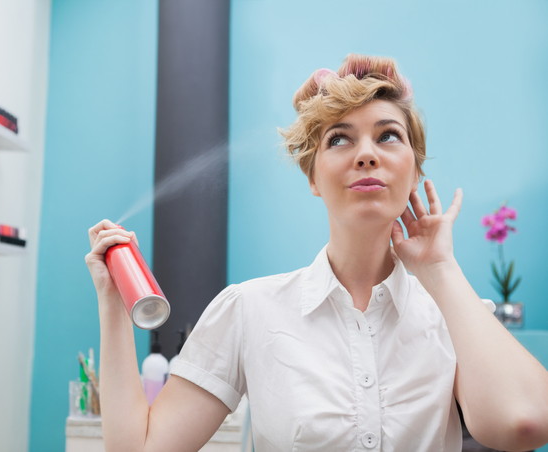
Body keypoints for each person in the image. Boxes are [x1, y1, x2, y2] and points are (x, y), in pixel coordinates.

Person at [85, 54, 548, 451]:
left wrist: (440, 270)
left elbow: (525, 423)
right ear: (313, 178)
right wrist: (111, 301)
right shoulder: (249, 310)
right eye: (340, 139)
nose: (366, 154)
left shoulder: (453, 314)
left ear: (413, 171)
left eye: (387, 135)